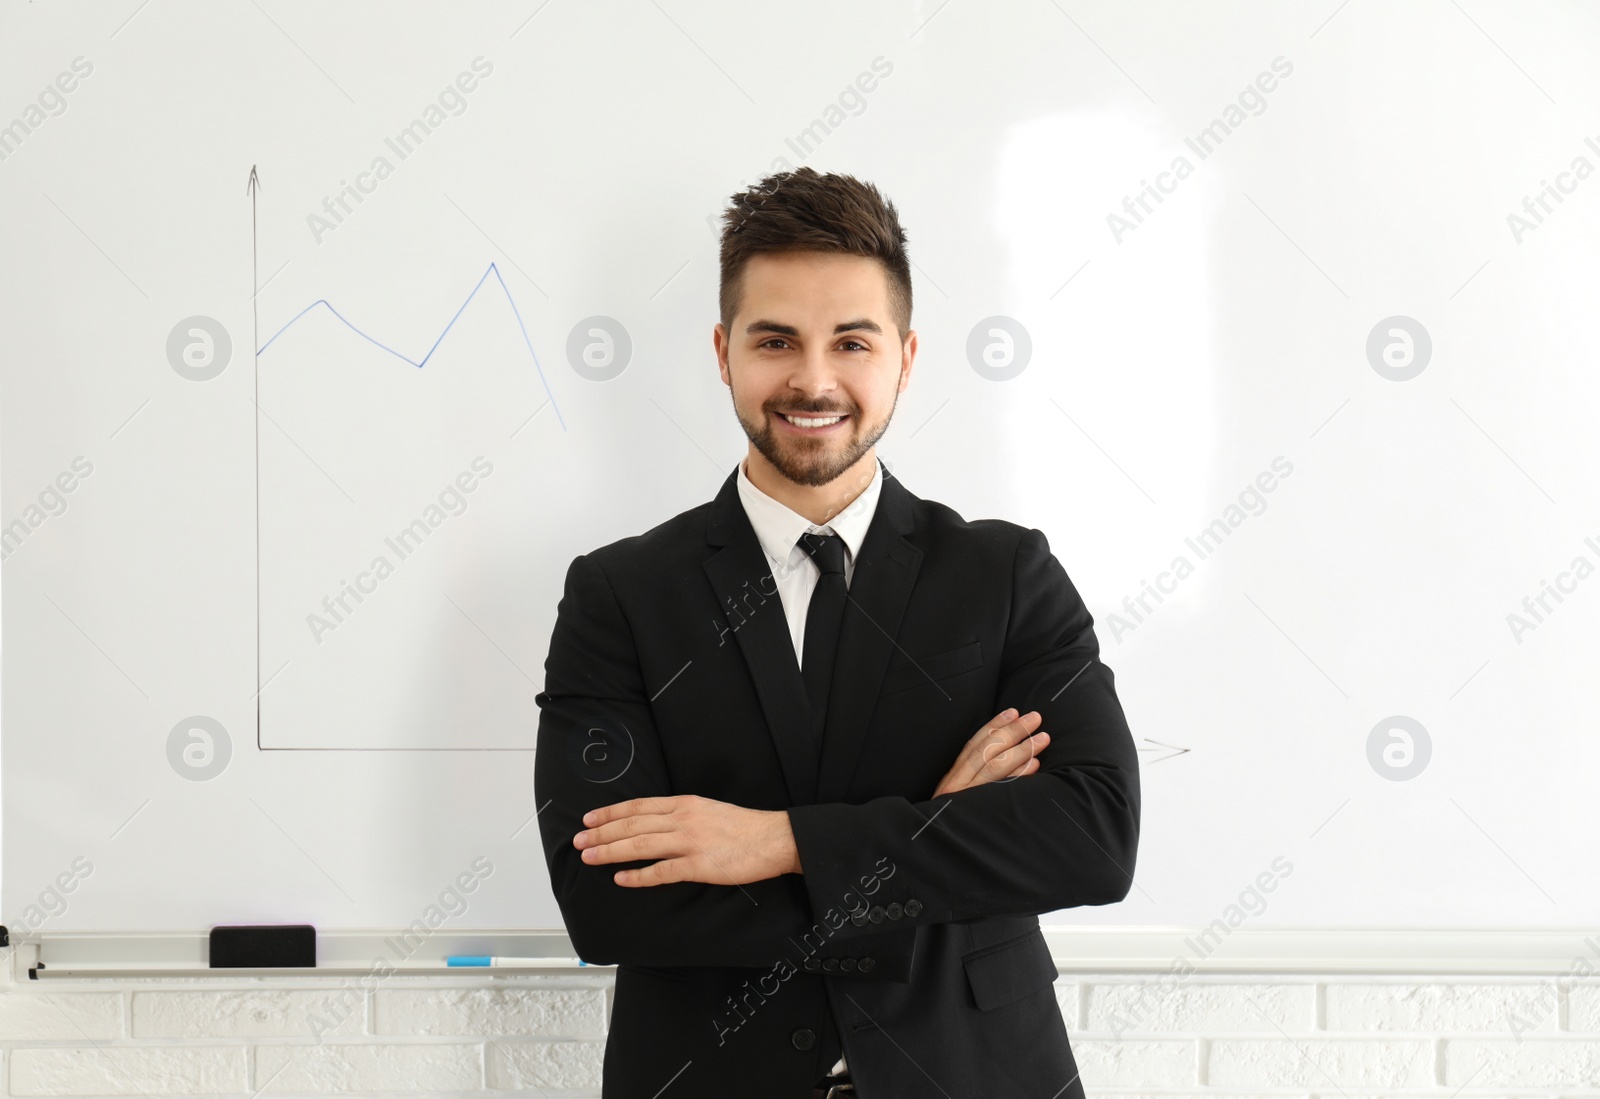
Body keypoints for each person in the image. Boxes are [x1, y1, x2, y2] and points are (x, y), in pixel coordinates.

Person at [533, 166, 1140, 1098]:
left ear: (904, 356)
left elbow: (1094, 837)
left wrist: (773, 841)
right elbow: (606, 911)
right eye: (776, 339)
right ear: (723, 351)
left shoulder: (1006, 575)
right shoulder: (619, 594)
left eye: (850, 342)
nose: (813, 379)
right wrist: (940, 831)